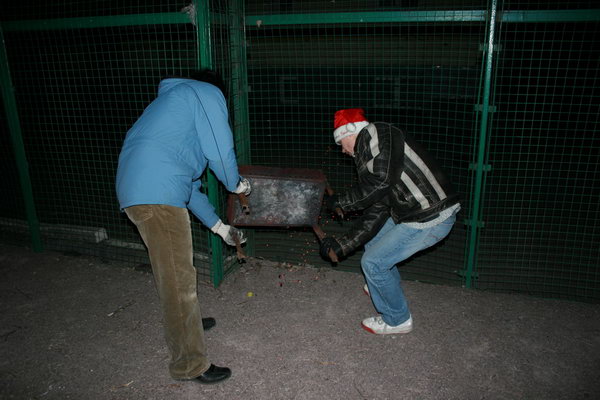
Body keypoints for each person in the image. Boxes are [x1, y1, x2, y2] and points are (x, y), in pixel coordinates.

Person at [115, 70, 250, 384]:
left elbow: (188, 188)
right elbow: (219, 149)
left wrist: (220, 228)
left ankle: (186, 324)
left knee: (175, 274)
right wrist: (236, 184)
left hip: (141, 189)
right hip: (156, 193)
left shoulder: (172, 107)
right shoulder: (205, 93)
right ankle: (189, 365)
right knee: (178, 282)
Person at [320, 108, 460, 335]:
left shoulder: (376, 132)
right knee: (375, 243)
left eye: (340, 143)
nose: (343, 150)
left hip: (430, 217)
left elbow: (381, 181)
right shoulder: (371, 153)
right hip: (415, 212)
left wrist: (343, 201)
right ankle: (382, 286)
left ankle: (397, 319)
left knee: (373, 263)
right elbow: (377, 208)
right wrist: (341, 244)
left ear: (348, 133)